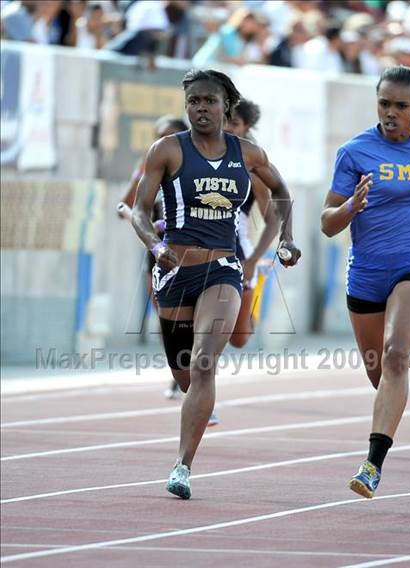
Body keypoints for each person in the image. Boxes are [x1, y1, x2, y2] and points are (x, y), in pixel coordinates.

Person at [131, 69, 300, 499]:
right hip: (173, 269)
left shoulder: (247, 153)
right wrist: (154, 243)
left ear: (226, 106)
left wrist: (287, 239)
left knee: (205, 363)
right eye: (193, 101)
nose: (200, 108)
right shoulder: (167, 150)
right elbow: (139, 209)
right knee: (185, 372)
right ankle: (192, 404)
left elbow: (281, 192)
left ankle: (182, 466)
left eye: (208, 100)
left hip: (224, 267)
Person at [321, 65, 410, 499]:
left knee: (396, 356)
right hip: (366, 273)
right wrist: (350, 208)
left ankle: (371, 466)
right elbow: (326, 223)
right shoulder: (354, 152)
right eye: (384, 103)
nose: (391, 113)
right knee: (379, 372)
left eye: (401, 105)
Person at [119, 115, 188, 400]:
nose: (163, 142)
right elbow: (126, 203)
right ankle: (177, 371)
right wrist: (139, 218)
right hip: (158, 249)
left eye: (170, 136)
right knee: (164, 315)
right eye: (159, 136)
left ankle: (193, 367)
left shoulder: (191, 164)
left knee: (193, 314)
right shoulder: (148, 164)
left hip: (190, 246)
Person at [225, 98, 279, 348]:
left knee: (239, 339)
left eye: (233, 123)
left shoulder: (253, 169)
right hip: (199, 251)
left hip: (237, 252)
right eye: (223, 120)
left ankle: (251, 303)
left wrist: (253, 260)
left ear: (246, 127)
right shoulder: (196, 156)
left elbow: (273, 220)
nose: (226, 127)